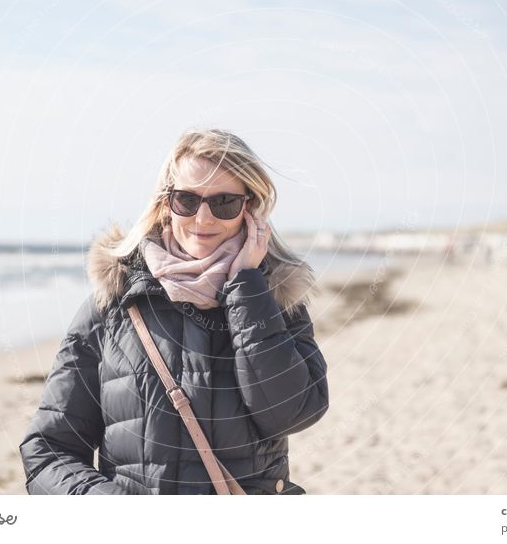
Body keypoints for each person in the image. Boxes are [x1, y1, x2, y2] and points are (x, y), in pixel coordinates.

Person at [19, 129, 329, 495]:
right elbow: (49, 449)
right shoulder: (113, 304)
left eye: (224, 202)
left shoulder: (273, 299)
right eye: (187, 200)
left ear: (251, 209)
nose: (203, 219)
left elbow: (293, 412)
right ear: (165, 204)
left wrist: (246, 287)